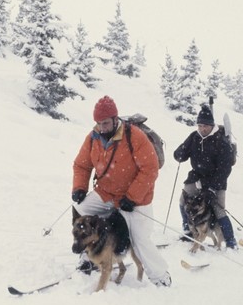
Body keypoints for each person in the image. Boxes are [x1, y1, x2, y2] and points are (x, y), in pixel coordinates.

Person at [71, 95, 171, 287]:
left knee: (139, 239)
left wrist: (132, 197)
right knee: (81, 211)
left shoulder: (134, 136)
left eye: (106, 123)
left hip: (135, 198)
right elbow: (81, 165)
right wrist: (79, 187)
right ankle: (88, 257)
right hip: (107, 192)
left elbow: (150, 169)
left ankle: (161, 277)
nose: (102, 127)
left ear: (115, 119)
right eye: (98, 123)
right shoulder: (93, 137)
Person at [173, 105, 237, 249]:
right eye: (200, 125)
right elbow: (180, 152)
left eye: (206, 125)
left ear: (212, 125)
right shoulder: (194, 137)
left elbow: (225, 169)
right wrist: (180, 154)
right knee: (183, 200)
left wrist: (213, 188)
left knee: (219, 209)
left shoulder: (221, 141)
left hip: (216, 180)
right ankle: (188, 229)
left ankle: (231, 240)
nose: (202, 129)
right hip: (196, 177)